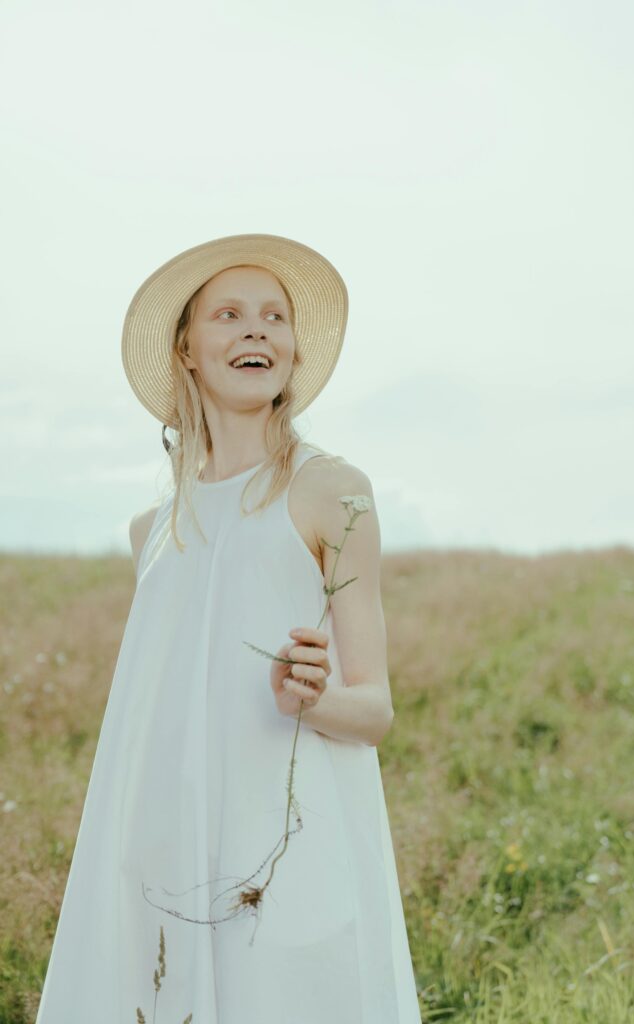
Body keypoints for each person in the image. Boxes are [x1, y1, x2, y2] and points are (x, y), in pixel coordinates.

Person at [34, 233, 423, 1023]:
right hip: (163, 843)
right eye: (230, 314)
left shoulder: (331, 493)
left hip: (287, 847)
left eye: (275, 317)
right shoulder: (150, 532)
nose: (257, 331)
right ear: (186, 349)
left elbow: (374, 711)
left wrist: (310, 698)